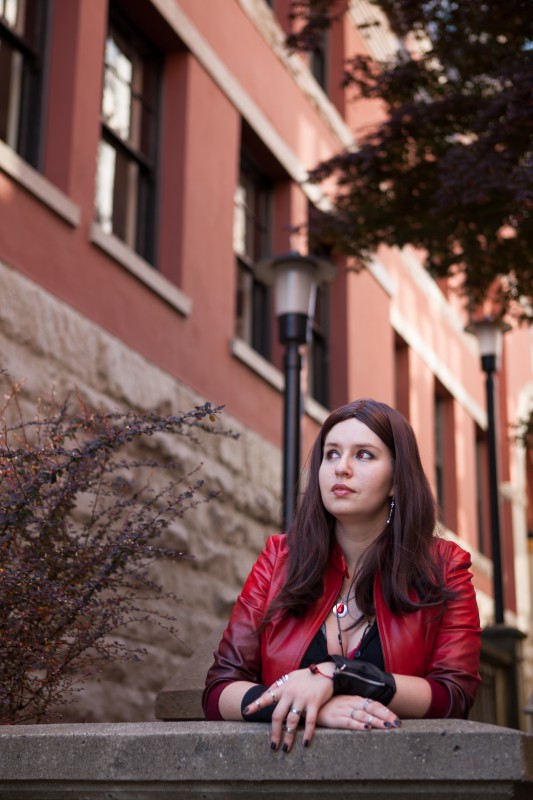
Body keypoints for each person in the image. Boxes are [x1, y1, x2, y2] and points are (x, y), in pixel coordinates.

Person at [203, 399, 481, 752]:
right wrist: (316, 707)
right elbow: (219, 691)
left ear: (397, 479)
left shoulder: (445, 566)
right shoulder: (278, 560)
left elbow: (453, 695)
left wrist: (337, 676)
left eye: (364, 455)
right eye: (331, 454)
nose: (341, 468)